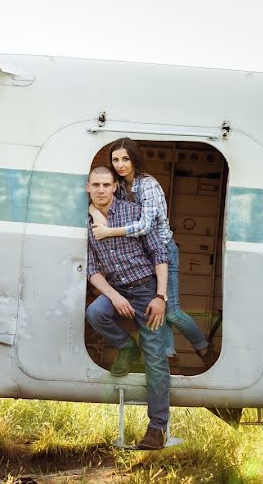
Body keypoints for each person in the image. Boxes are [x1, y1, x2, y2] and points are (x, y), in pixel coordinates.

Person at [89, 138, 217, 369]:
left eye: (125, 159)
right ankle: (169, 355)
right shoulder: (120, 185)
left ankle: (204, 347)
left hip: (163, 250)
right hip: (144, 253)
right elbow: (99, 202)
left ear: (134, 159)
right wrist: (96, 214)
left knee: (172, 311)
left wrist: (108, 232)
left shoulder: (147, 185)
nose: (120, 164)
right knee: (160, 310)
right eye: (115, 159)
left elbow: (145, 226)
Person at [84, 166, 170, 450]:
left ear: (114, 187)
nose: (100, 190)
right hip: (118, 289)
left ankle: (157, 428)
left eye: (106, 184)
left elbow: (160, 252)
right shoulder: (87, 223)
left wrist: (160, 297)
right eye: (95, 184)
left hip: (147, 291)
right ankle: (126, 347)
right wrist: (115, 297)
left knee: (156, 359)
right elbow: (93, 270)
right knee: (96, 313)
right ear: (88, 188)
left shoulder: (133, 213)